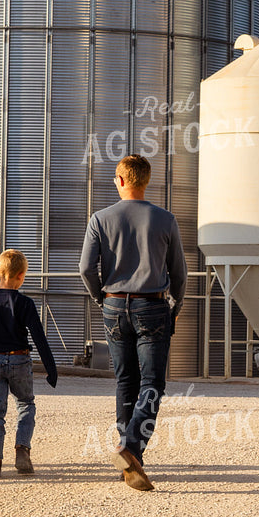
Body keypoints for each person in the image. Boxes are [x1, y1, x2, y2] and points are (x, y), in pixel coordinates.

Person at [79, 154, 187, 492]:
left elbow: (85, 268)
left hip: (113, 304)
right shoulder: (165, 219)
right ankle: (131, 447)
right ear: (146, 180)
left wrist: (102, 298)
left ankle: (128, 454)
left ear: (121, 180)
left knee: (125, 380)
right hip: (152, 306)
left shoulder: (100, 218)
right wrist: (177, 305)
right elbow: (179, 272)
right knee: (152, 383)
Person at [0, 250, 58, 480]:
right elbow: (39, 337)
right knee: (26, 405)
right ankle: (22, 451)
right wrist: (51, 368)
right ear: (22, 275)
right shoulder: (25, 303)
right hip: (19, 359)